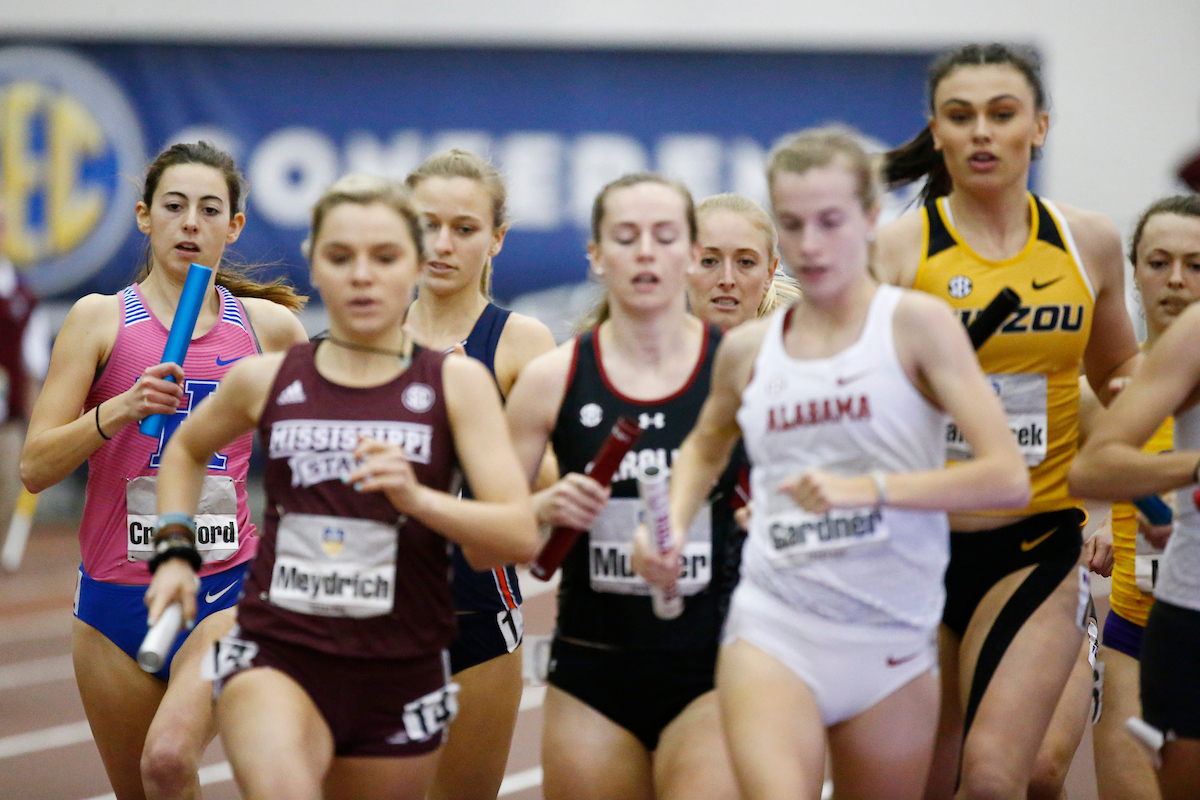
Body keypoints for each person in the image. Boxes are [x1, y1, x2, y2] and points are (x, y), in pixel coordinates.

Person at [635, 126, 1027, 800]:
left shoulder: (918, 327)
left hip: (891, 636)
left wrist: (867, 489)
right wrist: (666, 525)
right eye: (792, 224)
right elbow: (705, 445)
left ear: (870, 219)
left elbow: (1005, 478)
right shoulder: (751, 350)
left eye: (830, 222)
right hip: (774, 626)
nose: (811, 244)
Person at [143, 174, 539, 800]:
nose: (361, 276)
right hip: (280, 647)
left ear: (414, 264)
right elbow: (186, 450)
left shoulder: (456, 384)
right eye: (340, 256)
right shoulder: (265, 379)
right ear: (313, 263)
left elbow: (515, 534)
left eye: (384, 258)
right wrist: (173, 550)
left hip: (399, 663)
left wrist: (418, 499)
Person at [875, 43, 1141, 799]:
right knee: (922, 781)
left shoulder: (1087, 243)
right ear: (938, 132)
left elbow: (1122, 382)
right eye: (961, 116)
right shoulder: (896, 252)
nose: (982, 132)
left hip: (1035, 541)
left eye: (1002, 113)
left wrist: (1166, 459)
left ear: (1039, 127)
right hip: (915, 547)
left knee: (997, 776)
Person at [18, 141, 307, 800]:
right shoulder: (100, 320)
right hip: (113, 600)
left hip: (226, 587)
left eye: (210, 210)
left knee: (169, 759)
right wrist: (121, 408)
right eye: (174, 207)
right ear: (145, 216)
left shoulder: (268, 329)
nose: (191, 223)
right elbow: (34, 467)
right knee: (148, 792)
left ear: (234, 226)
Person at [505, 173, 743, 800]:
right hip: (593, 668)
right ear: (596, 254)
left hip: (719, 667)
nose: (645, 253)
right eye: (626, 236)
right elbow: (484, 539)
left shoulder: (742, 369)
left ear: (691, 254)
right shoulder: (552, 379)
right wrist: (540, 506)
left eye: (664, 236)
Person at [401, 149, 556, 800]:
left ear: (496, 239)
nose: (442, 244)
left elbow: (553, 488)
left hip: (476, 613)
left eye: (464, 228)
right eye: (427, 225)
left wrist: (478, 420)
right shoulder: (362, 334)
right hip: (366, 611)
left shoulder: (521, 341)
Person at [1068, 201, 1200, 800]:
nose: (1176, 280)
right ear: (1133, 271)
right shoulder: (1100, 394)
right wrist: (1102, 523)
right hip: (1136, 627)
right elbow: (1071, 478)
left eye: (1195, 264)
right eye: (1159, 262)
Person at [0, 199, 50, 561]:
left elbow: (34, 362)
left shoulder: (23, 296)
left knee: (7, 485)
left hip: (9, 419)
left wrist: (37, 415)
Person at [687, 192, 800, 332]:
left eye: (745, 262)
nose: (727, 280)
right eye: (709, 261)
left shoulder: (799, 342)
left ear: (769, 272)